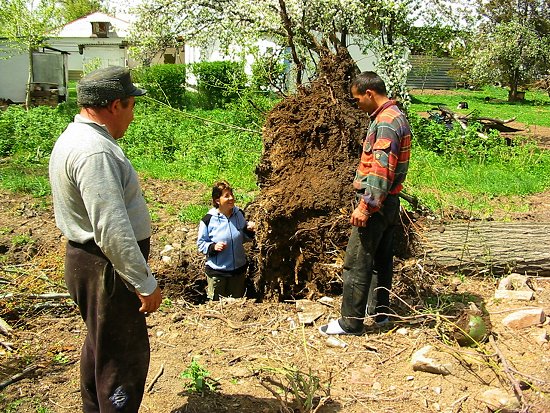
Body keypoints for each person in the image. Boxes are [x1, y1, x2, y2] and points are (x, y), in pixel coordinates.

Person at [49, 66, 162, 412]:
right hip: (107, 268)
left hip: (88, 261)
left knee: (101, 346)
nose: (132, 115)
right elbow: (111, 228)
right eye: (131, 106)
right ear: (116, 105)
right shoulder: (95, 152)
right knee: (122, 358)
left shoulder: (73, 138)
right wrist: (143, 281)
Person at [319, 71, 411, 336]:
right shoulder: (397, 116)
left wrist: (365, 206)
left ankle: (350, 321)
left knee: (357, 261)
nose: (357, 105)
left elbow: (381, 171)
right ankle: (380, 313)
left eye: (358, 99)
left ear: (370, 93)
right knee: (382, 259)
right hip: (390, 202)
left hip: (377, 203)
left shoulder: (385, 123)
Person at [197, 181, 255, 300]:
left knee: (238, 307)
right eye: (226, 196)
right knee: (217, 306)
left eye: (232, 195)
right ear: (217, 200)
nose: (231, 198)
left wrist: (250, 231)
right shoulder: (208, 220)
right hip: (218, 274)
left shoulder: (239, 214)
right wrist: (213, 247)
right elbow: (201, 243)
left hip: (238, 273)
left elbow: (242, 237)